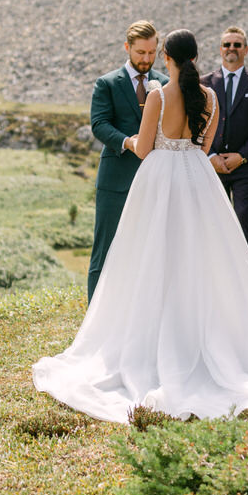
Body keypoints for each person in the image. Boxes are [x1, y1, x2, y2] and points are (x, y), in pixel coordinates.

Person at [32, 31, 248, 422]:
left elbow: (145, 148)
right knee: (202, 255)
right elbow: (203, 145)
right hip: (197, 177)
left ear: (167, 57)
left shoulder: (158, 96)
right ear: (197, 57)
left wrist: (134, 143)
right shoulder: (210, 97)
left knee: (150, 255)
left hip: (160, 177)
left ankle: (157, 332)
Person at [87, 21, 167, 300]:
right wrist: (128, 142)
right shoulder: (107, 83)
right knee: (106, 248)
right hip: (116, 180)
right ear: (127, 48)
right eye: (140, 52)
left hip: (155, 179)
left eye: (151, 53)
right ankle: (94, 315)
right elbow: (98, 124)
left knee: (149, 249)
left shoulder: (165, 84)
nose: (146, 59)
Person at [202, 27, 248, 250]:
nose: (232, 48)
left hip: (244, 166)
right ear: (220, 49)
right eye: (227, 44)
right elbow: (198, 122)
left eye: (237, 45)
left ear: (246, 50)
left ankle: (247, 276)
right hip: (211, 165)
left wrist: (241, 156)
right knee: (212, 219)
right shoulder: (204, 83)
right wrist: (211, 155)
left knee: (242, 216)